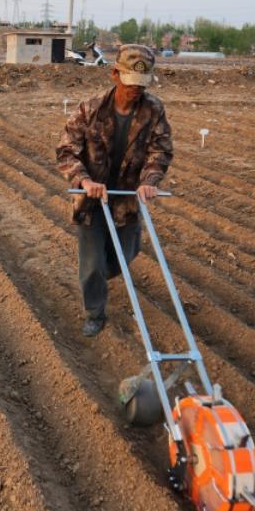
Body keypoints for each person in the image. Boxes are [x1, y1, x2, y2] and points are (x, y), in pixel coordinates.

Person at [56, 44, 173, 337]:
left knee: (123, 257)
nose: (135, 90)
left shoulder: (153, 110)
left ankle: (102, 274)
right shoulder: (90, 109)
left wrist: (150, 180)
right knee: (93, 264)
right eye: (130, 83)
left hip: (127, 199)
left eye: (141, 85)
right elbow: (67, 150)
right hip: (92, 200)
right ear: (114, 75)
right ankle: (95, 313)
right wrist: (84, 181)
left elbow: (160, 151)